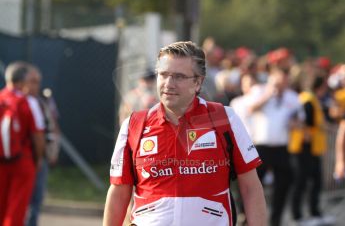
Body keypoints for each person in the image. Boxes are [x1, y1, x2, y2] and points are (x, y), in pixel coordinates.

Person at [103, 41, 267, 226]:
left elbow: (251, 188)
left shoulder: (225, 119)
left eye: (179, 77)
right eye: (163, 75)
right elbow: (118, 192)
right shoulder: (134, 124)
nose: (168, 84)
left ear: (198, 82)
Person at [247, 67, 304, 226]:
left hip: (281, 147)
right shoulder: (259, 90)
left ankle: (276, 219)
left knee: (284, 183)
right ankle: (249, 219)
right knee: (253, 184)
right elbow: (251, 108)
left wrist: (296, 124)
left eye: (284, 83)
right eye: (278, 82)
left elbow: (299, 119)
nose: (281, 86)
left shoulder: (292, 97)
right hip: (261, 146)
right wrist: (268, 95)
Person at [0, 61, 45, 226]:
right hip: (23, 160)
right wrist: (38, 159)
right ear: (23, 81)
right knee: (17, 208)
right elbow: (38, 135)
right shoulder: (28, 102)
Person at [289, 76, 335, 224]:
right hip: (303, 148)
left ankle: (315, 213)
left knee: (316, 181)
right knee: (301, 182)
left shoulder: (311, 98)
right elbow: (305, 123)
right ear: (319, 86)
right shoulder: (307, 99)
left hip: (312, 148)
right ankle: (297, 217)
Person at [24, 67, 60, 226]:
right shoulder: (17, 102)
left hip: (40, 157)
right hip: (25, 157)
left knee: (36, 199)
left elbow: (53, 128)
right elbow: (37, 134)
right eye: (32, 81)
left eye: (37, 82)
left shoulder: (43, 101)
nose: (36, 86)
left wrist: (51, 153)